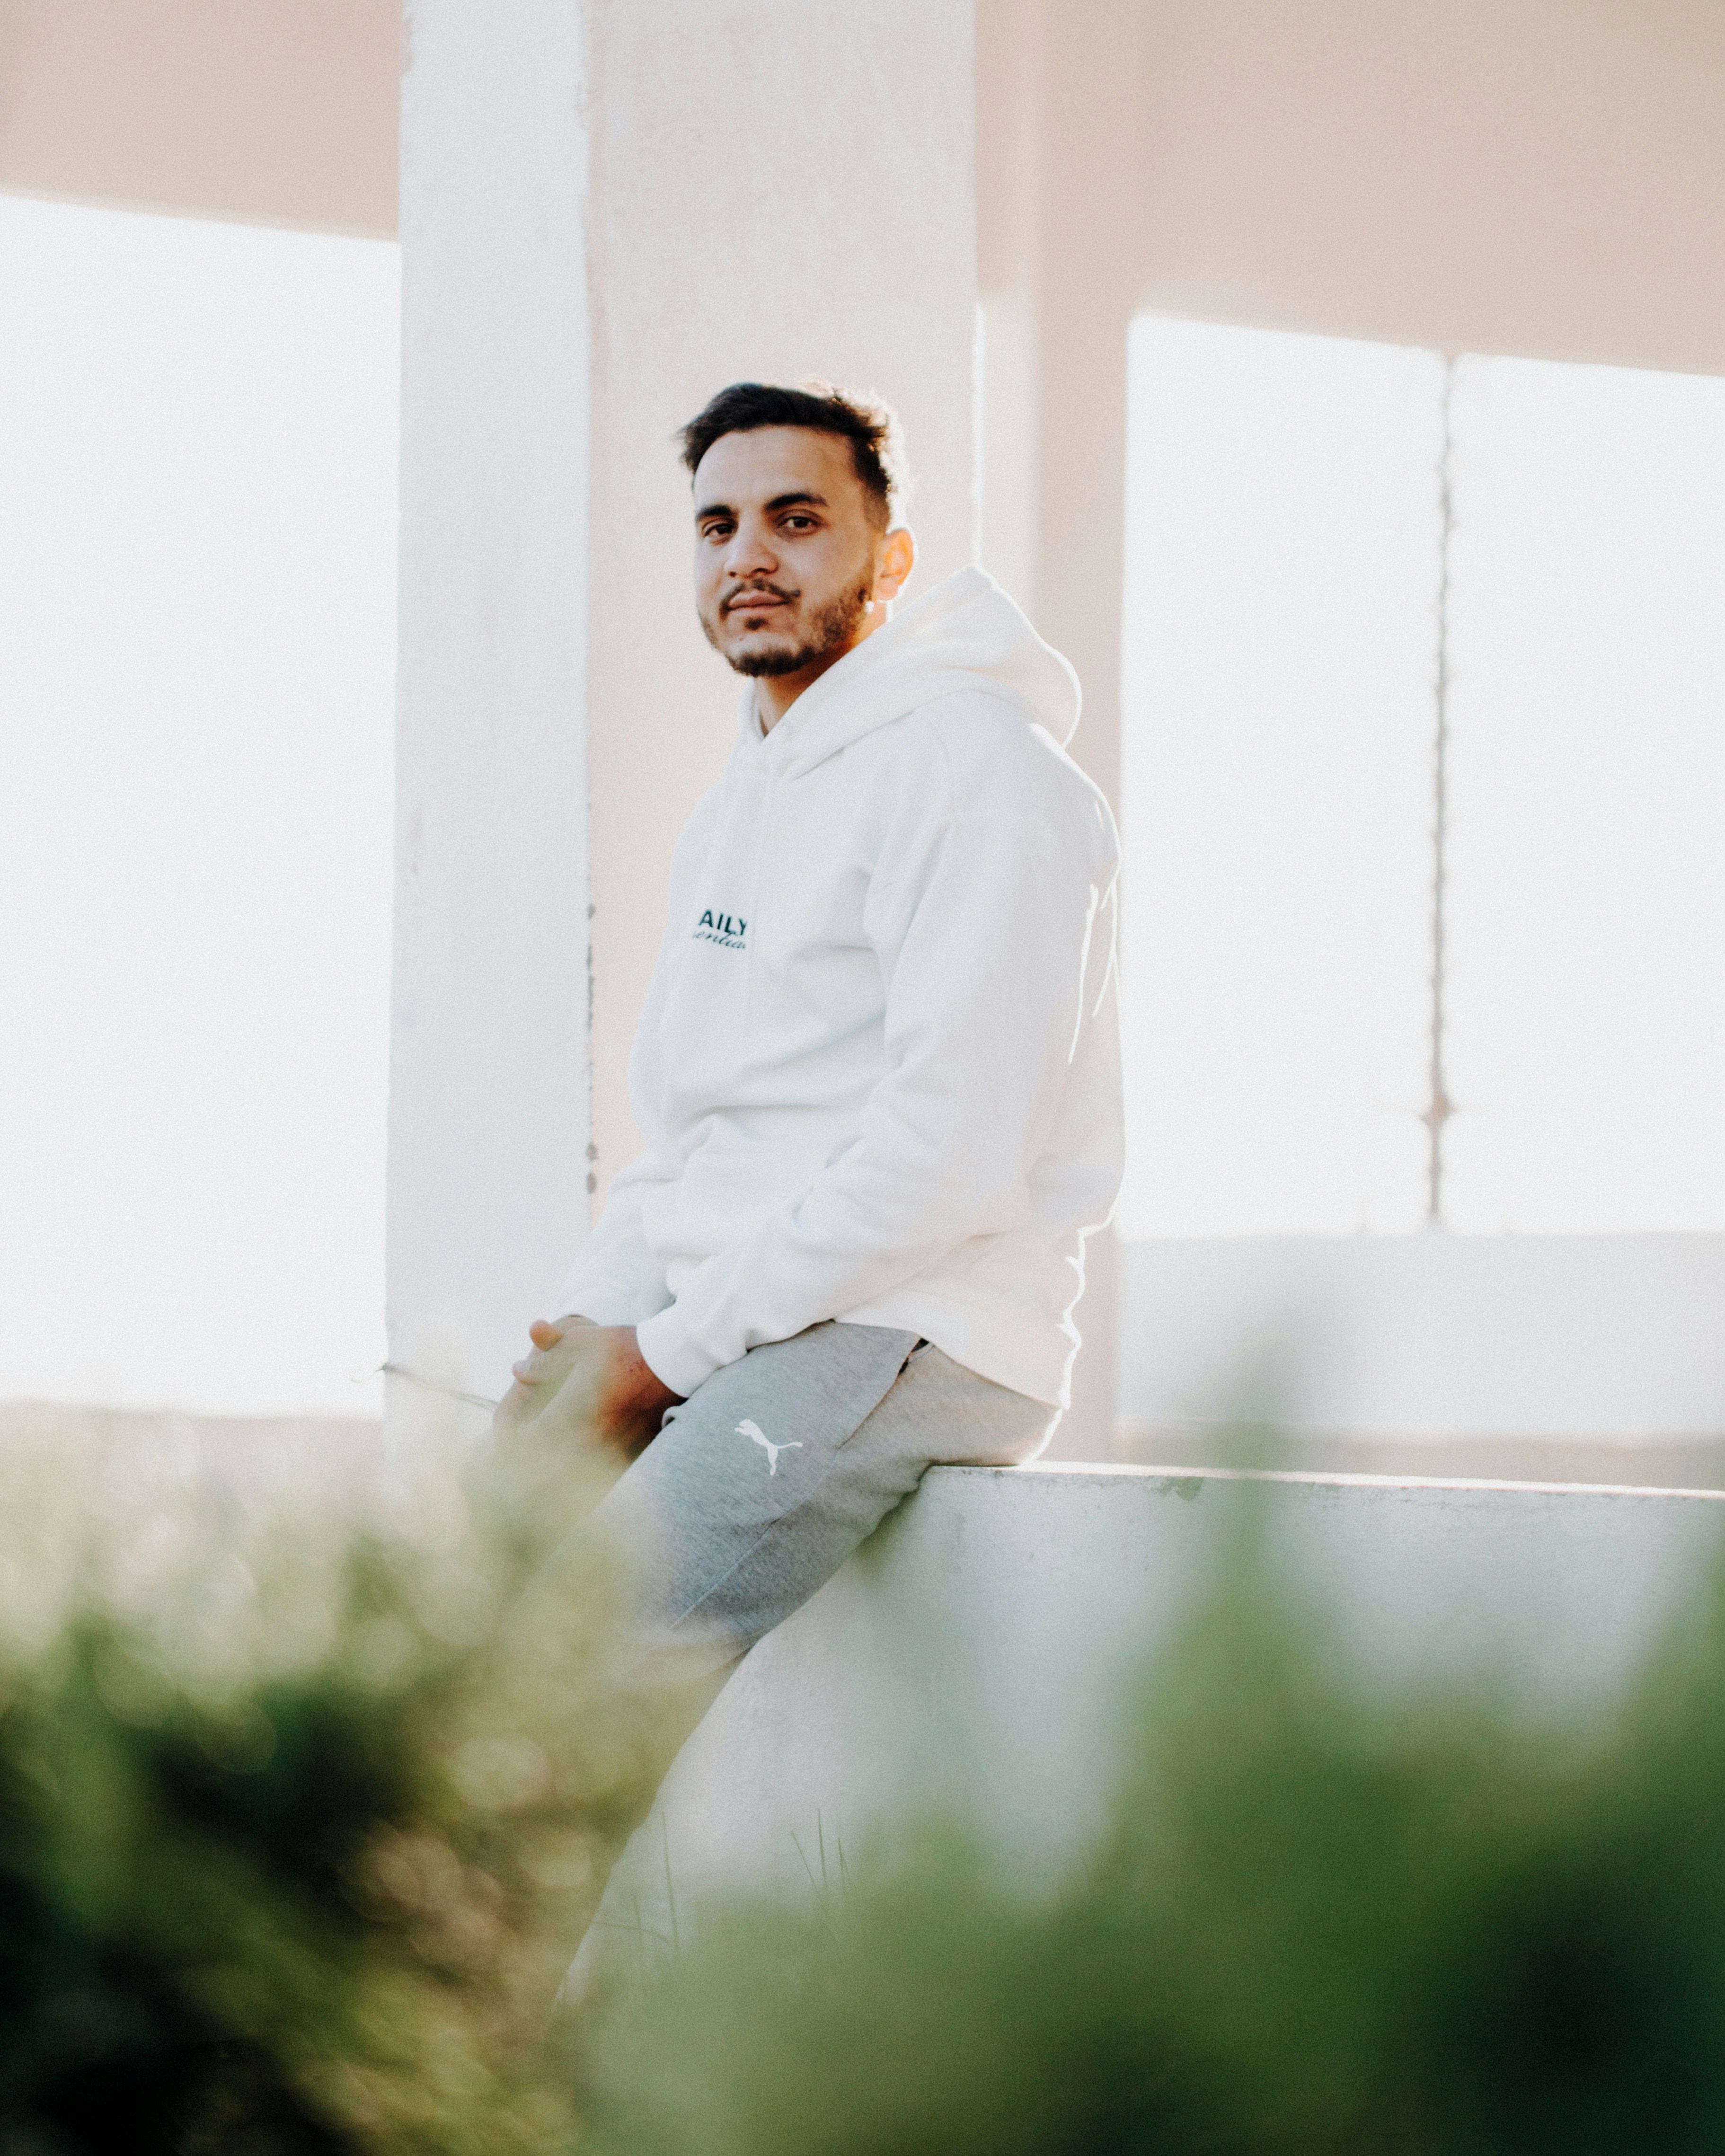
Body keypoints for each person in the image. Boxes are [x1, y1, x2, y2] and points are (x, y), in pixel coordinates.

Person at [496, 379, 1122, 1676]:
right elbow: (689, 1136)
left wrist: (659, 1356)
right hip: (740, 1319)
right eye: (717, 526)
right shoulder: (740, 805)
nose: (750, 558)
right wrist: (592, 1332)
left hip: (915, 1321)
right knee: (449, 1587)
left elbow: (949, 1157)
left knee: (568, 1677)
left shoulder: (981, 777)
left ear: (889, 558)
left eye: (795, 519)